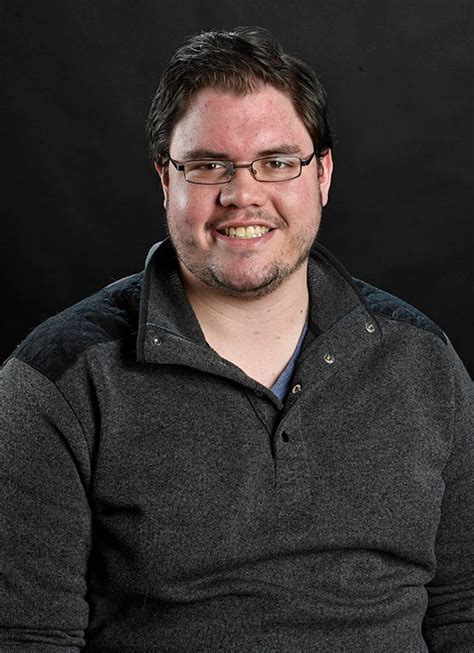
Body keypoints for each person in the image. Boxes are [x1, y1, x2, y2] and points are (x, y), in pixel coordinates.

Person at [1, 26, 472, 652]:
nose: (242, 194)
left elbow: (463, 610)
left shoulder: (423, 362)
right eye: (207, 165)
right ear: (165, 178)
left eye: (276, 163)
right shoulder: (59, 379)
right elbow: (27, 636)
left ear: (322, 174)